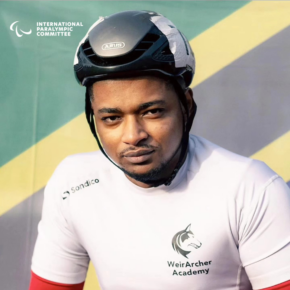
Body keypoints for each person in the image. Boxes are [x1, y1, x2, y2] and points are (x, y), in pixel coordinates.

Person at [29, 10, 290, 290]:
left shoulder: (252, 188)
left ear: (186, 106)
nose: (133, 136)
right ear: (94, 118)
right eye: (111, 118)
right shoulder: (72, 182)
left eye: (152, 112)